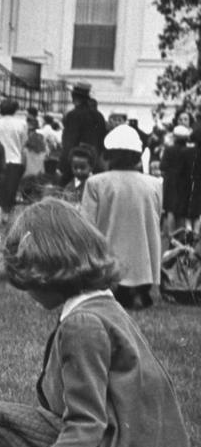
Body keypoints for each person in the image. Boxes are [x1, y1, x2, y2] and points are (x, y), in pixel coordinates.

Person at [0, 198, 193, 447]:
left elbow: (85, 424)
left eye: (27, 281)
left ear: (46, 274)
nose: (27, 292)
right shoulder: (106, 307)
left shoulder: (81, 324)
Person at [80, 121, 162, 310]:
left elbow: (87, 223)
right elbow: (155, 216)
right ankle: (140, 290)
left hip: (108, 257)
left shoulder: (96, 183)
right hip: (143, 257)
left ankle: (118, 290)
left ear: (108, 154)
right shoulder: (154, 184)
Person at [59, 82, 107, 184]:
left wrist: (62, 166)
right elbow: (103, 140)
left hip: (76, 164)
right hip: (94, 164)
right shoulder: (99, 116)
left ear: (74, 97)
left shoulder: (73, 115)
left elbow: (69, 143)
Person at [0, 97, 27, 223]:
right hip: (15, 158)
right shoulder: (22, 123)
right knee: (11, 188)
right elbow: (24, 143)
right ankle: (7, 214)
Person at [160, 124, 194, 241]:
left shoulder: (169, 150)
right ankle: (181, 233)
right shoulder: (189, 151)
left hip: (170, 181)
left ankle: (170, 234)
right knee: (181, 208)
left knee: (170, 208)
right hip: (185, 182)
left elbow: (162, 166)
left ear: (174, 137)